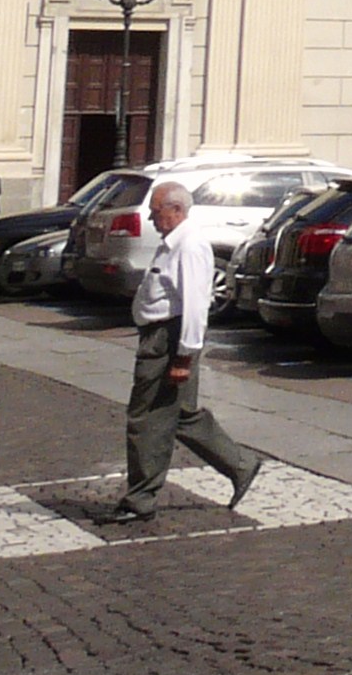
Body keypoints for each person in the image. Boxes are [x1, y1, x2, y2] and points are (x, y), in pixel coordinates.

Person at [102, 180, 264, 524]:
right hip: (162, 337)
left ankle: (140, 499)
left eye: (155, 209)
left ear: (176, 210)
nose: (150, 215)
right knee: (181, 413)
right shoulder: (172, 243)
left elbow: (195, 307)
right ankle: (241, 465)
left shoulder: (188, 246)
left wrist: (183, 358)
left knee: (147, 419)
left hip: (168, 340)